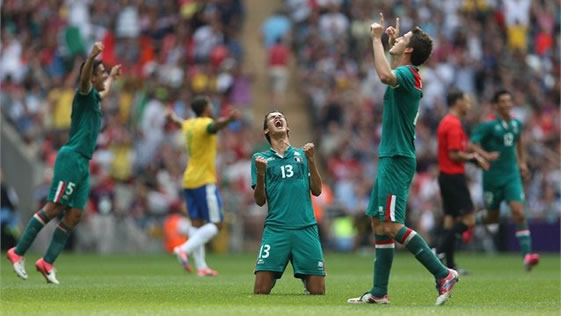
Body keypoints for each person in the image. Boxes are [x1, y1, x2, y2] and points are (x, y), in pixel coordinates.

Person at [347, 14, 458, 306]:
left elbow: (385, 75)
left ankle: (443, 273)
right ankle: (379, 292)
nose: (397, 39)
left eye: (403, 38)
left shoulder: (409, 75)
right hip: (390, 155)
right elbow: (392, 74)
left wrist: (375, 39)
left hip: (397, 158)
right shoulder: (407, 75)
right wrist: (392, 45)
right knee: (378, 223)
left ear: (409, 51)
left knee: (392, 224)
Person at [6, 42, 121, 284]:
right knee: (54, 208)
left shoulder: (96, 99)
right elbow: (84, 80)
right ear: (91, 76)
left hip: (83, 163)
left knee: (75, 215)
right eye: (100, 73)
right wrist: (91, 58)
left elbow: (105, 90)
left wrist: (110, 76)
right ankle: (17, 253)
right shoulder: (84, 93)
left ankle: (47, 262)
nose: (102, 77)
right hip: (71, 158)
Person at [252, 111, 325, 295]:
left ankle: (305, 277)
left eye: (281, 116)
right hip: (276, 229)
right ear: (266, 131)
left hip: (305, 227)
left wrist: (311, 160)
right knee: (260, 289)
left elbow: (317, 190)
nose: (278, 118)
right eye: (272, 118)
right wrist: (261, 175)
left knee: (318, 291)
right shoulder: (260, 159)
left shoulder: (302, 154)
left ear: (287, 127)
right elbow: (260, 201)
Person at [166, 96, 240, 277]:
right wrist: (229, 120)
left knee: (197, 225)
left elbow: (179, 122)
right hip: (204, 180)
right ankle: (183, 249)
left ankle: (201, 267)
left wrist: (172, 117)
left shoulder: (190, 124)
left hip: (188, 180)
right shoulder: (205, 123)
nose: (212, 107)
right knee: (217, 224)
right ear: (206, 109)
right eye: (210, 105)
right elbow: (214, 127)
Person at [470, 89, 540, 271]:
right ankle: (468, 222)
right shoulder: (488, 125)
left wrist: (522, 163)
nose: (508, 104)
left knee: (519, 211)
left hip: (511, 176)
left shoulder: (516, 123)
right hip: (492, 178)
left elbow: (519, 142)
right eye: (503, 101)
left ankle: (527, 256)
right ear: (496, 105)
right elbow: (472, 143)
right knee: (492, 217)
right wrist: (486, 154)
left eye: (509, 101)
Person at [435, 89, 498, 274]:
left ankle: (450, 266)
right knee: (469, 219)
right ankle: (438, 252)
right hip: (453, 177)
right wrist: (473, 159)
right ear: (458, 103)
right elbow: (454, 154)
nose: (469, 105)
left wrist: (479, 155)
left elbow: (464, 147)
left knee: (450, 221)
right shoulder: (453, 124)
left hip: (446, 177)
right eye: (467, 101)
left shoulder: (449, 122)